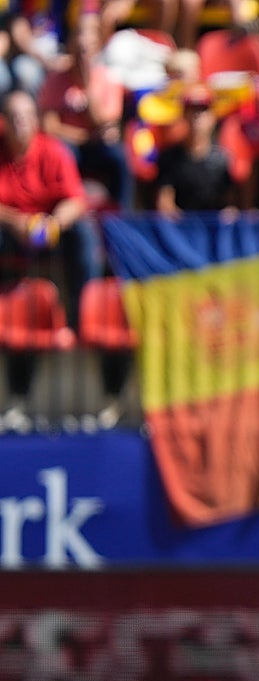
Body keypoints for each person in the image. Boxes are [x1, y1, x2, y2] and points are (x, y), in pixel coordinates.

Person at [0, 89, 100, 432]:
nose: (22, 124)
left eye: (28, 116)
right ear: (4, 122)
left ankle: (82, 317)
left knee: (84, 234)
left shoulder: (54, 151)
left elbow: (76, 200)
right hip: (10, 233)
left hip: (51, 233)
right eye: (15, 118)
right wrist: (16, 222)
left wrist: (53, 223)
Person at [38, 11, 131, 210]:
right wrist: (86, 137)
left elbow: (105, 125)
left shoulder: (108, 79)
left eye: (88, 46)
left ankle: (123, 214)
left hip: (96, 147)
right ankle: (64, 208)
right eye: (79, 45)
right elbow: (49, 127)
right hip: (69, 145)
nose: (83, 52)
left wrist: (88, 85)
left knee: (119, 156)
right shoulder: (56, 80)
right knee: (63, 152)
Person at [154, 84, 236, 216]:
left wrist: (227, 215)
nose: (197, 116)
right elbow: (165, 203)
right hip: (181, 226)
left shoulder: (222, 159)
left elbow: (230, 204)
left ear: (212, 117)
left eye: (203, 110)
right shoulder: (170, 157)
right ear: (183, 115)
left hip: (213, 227)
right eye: (192, 110)